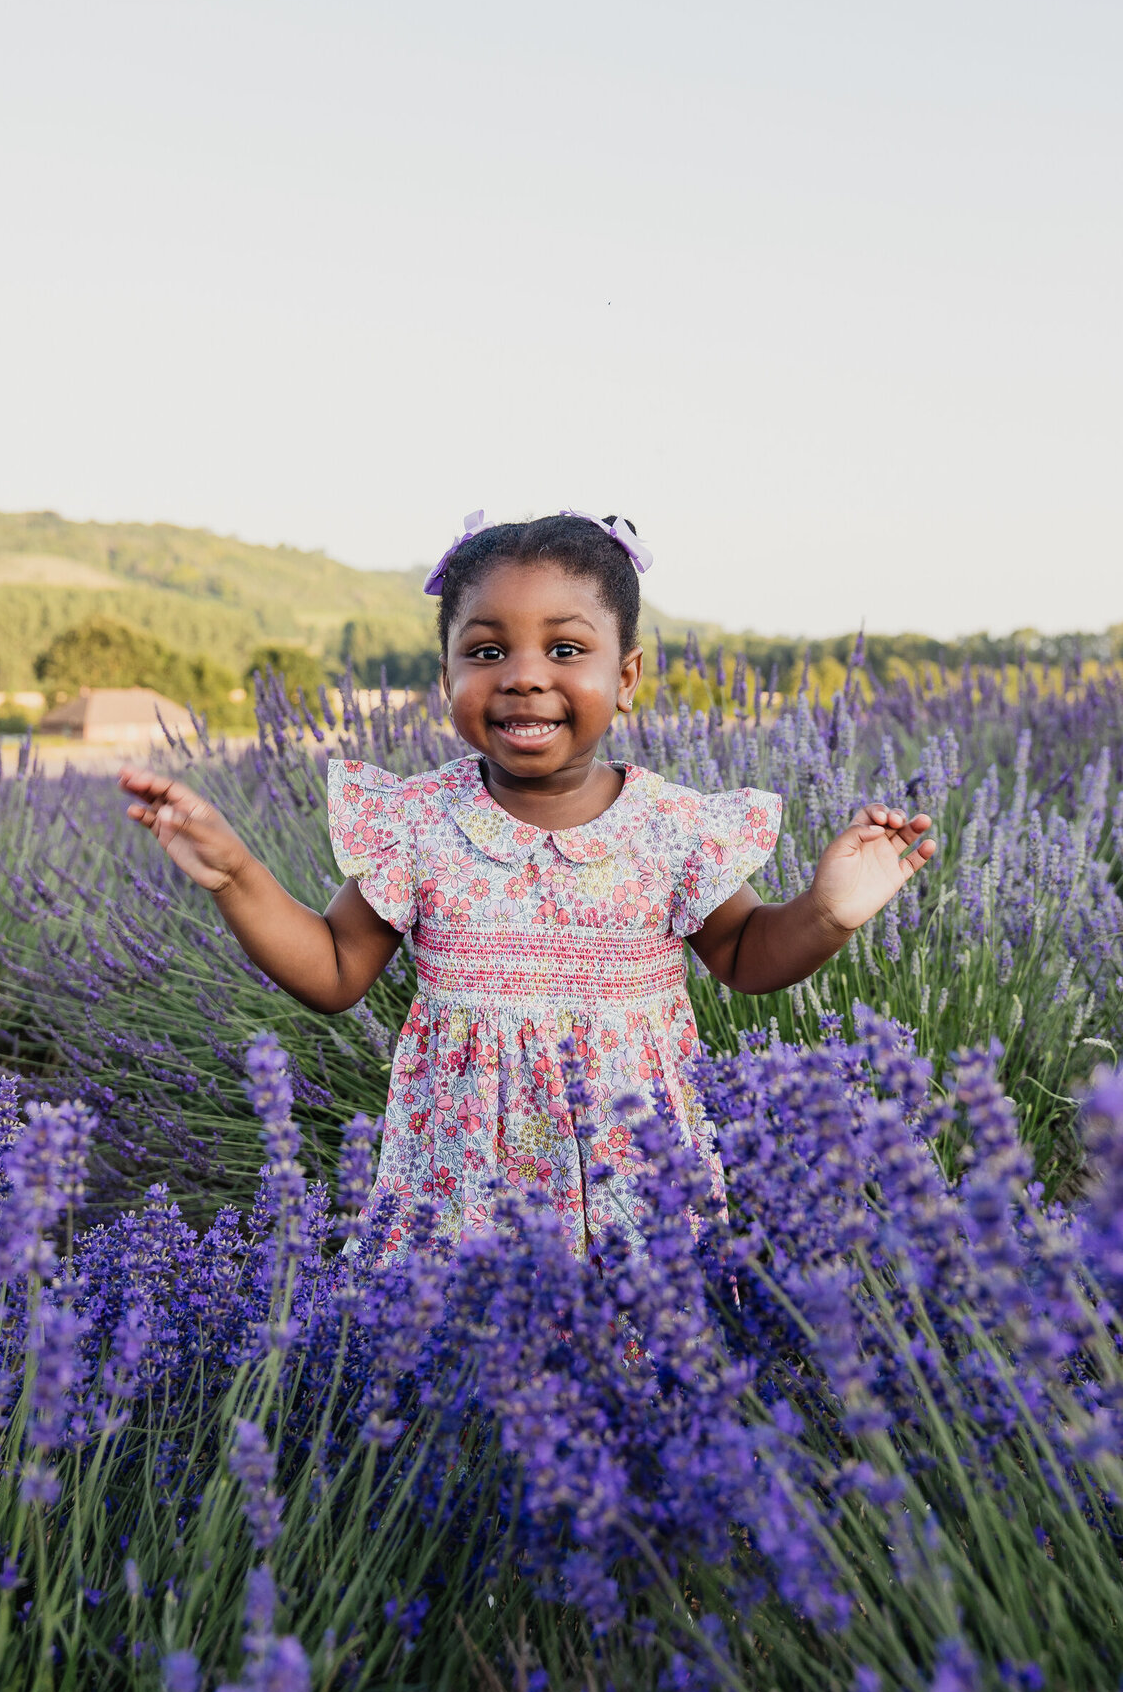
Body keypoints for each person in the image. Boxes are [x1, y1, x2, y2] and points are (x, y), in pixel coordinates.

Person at [119, 512, 936, 1258]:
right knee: (456, 1377)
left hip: (634, 1176)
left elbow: (746, 955)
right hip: (459, 1183)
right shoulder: (421, 823)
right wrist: (235, 874)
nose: (522, 676)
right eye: (485, 652)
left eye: (566, 650)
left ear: (628, 675)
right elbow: (335, 970)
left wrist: (827, 914)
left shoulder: (669, 829)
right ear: (446, 679)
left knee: (636, 1371)